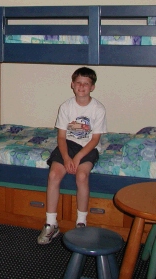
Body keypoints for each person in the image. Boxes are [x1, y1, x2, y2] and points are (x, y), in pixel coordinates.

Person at [37, 66, 107, 245]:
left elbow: (95, 139)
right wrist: (67, 157)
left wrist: (77, 158)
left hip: (88, 147)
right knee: (53, 175)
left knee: (82, 176)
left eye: (86, 84)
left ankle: (81, 223)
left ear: (92, 87)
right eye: (78, 83)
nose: (82, 87)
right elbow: (61, 137)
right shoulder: (66, 107)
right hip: (68, 145)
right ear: (72, 85)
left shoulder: (98, 109)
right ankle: (51, 224)